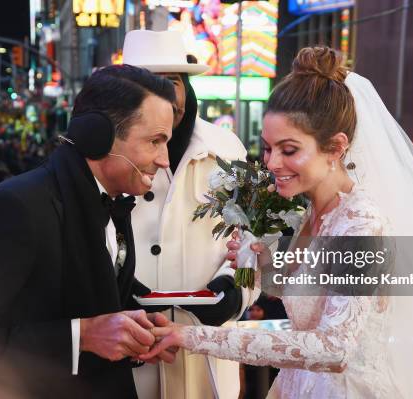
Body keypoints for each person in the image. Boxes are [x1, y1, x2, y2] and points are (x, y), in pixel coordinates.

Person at [140, 47, 413, 398]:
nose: (271, 164)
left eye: (290, 150)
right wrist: (264, 270)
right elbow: (315, 300)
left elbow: (334, 348)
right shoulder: (311, 211)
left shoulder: (361, 225)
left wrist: (192, 337)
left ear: (336, 147)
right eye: (268, 148)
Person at [0, 65, 178, 398]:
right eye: (155, 141)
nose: (164, 160)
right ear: (97, 137)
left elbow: (92, 298)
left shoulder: (115, 202)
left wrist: (140, 329)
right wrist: (81, 336)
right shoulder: (14, 209)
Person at [122, 29, 258, 399]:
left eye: (171, 83)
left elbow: (255, 236)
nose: (164, 97)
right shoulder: (110, 153)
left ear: (187, 88)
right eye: (148, 85)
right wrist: (116, 288)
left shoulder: (228, 148)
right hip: (132, 352)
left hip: (208, 354)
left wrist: (237, 290)